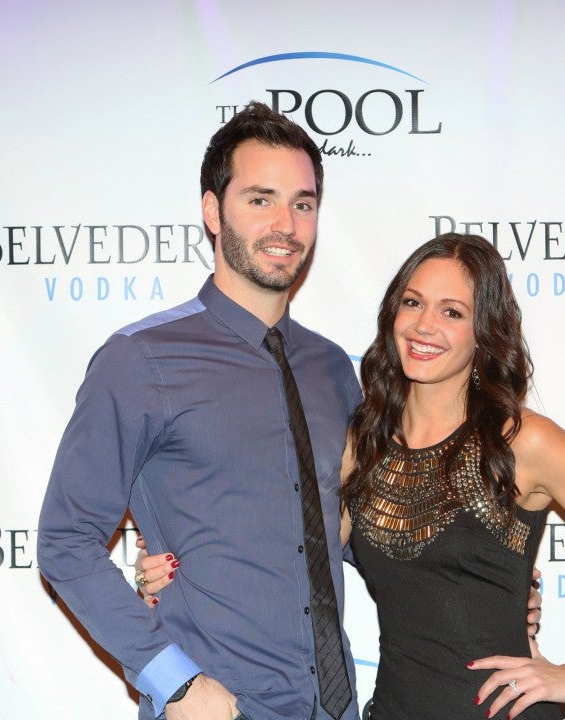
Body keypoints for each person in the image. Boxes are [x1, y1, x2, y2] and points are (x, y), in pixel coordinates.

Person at [140, 233, 565, 719]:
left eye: (453, 312)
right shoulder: (363, 444)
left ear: (484, 331)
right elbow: (293, 561)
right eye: (413, 302)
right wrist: (180, 570)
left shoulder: (523, 441)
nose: (425, 326)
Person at [37, 101, 363, 720]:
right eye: (260, 199)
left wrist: (492, 578)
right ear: (213, 212)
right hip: (222, 706)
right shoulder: (142, 360)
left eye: (303, 203)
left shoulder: (331, 369)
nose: (286, 224)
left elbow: (358, 528)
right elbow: (65, 540)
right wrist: (177, 684)